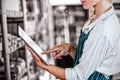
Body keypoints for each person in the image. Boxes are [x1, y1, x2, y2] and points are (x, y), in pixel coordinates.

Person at [26, 0, 120, 80]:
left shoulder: (102, 29)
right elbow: (89, 62)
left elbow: (78, 76)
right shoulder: (98, 17)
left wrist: (45, 66)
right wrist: (70, 49)